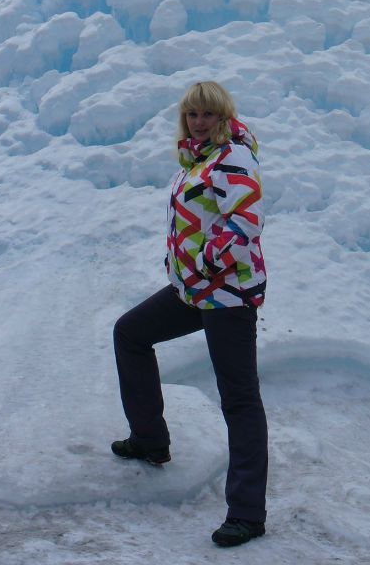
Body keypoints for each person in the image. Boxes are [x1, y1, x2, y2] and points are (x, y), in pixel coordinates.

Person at [112, 81, 268, 549]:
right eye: (192, 115)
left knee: (238, 399)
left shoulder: (234, 157)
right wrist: (179, 267)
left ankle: (247, 514)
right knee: (131, 333)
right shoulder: (198, 160)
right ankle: (150, 438)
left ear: (223, 116)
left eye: (207, 114)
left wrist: (199, 263)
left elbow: (246, 224)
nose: (199, 121)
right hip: (195, 290)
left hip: (228, 296)